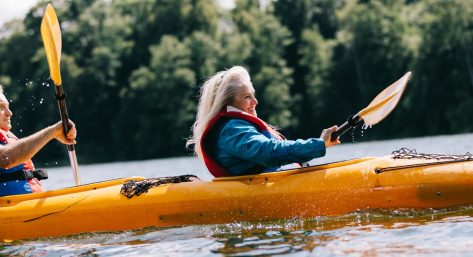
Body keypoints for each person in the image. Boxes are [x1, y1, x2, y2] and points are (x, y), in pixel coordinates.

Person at [187, 66, 340, 177]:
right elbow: (270, 152)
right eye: (247, 97)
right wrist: (319, 143)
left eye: (253, 94)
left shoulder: (235, 126)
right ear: (227, 104)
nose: (255, 101)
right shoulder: (231, 130)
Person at [0, 86, 77, 196]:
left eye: (8, 106)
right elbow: (5, 158)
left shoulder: (6, 136)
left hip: (27, 204)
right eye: (1, 107)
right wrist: (53, 131)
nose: (9, 113)